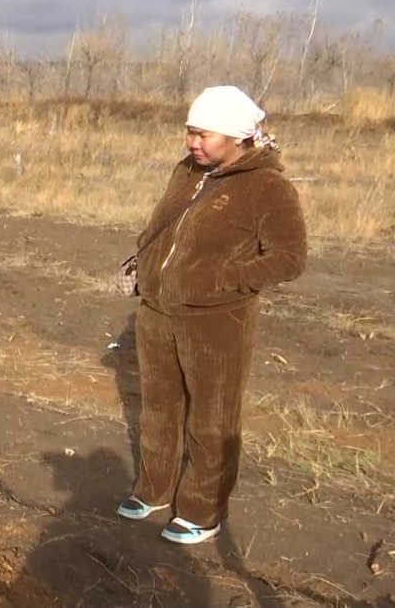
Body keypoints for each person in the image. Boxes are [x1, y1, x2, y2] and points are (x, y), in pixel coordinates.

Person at [116, 85, 307, 545]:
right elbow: (166, 223)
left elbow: (290, 257)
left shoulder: (268, 186)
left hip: (217, 321)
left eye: (205, 135)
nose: (193, 143)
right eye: (190, 132)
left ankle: (202, 511)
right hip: (157, 311)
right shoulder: (187, 171)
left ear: (238, 137)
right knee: (159, 408)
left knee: (212, 419)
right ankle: (155, 489)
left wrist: (223, 279)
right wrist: (146, 260)